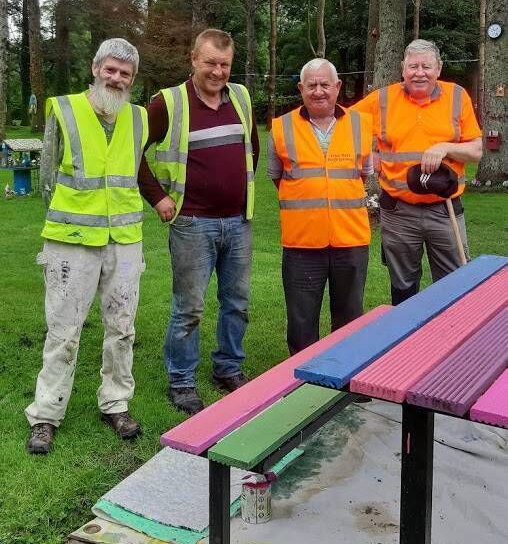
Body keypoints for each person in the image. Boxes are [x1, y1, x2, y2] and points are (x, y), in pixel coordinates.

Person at [26, 39, 148, 455]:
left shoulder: (139, 117)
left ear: (133, 79)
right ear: (96, 68)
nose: (116, 78)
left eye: (125, 74)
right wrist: (61, 224)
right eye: (110, 69)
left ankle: (115, 403)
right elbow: (46, 174)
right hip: (70, 239)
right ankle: (46, 414)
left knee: (122, 328)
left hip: (125, 238)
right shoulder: (63, 108)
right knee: (63, 330)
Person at [139, 29, 259, 416]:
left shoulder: (240, 96)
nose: (218, 71)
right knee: (189, 307)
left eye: (224, 64)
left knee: (236, 302)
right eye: (210, 62)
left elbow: (251, 146)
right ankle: (182, 380)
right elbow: (132, 150)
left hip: (239, 222)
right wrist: (157, 197)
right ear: (193, 59)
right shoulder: (167, 103)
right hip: (192, 223)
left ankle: (228, 367)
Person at [354, 38, 483, 305]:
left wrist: (445, 148)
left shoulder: (457, 96)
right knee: (403, 287)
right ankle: (408, 343)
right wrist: (370, 156)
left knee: (455, 284)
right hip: (398, 213)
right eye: (413, 66)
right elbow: (345, 125)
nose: (419, 72)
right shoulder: (382, 99)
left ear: (439, 68)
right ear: (403, 68)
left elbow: (476, 150)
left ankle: (451, 342)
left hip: (445, 210)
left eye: (426, 66)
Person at [268, 59, 373, 355]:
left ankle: (346, 378)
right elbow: (277, 177)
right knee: (301, 323)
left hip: (351, 240)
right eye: (311, 85)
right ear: (301, 89)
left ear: (337, 87)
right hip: (302, 243)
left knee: (350, 320)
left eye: (325, 84)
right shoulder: (281, 127)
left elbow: (364, 173)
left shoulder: (361, 124)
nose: (318, 91)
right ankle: (303, 384)